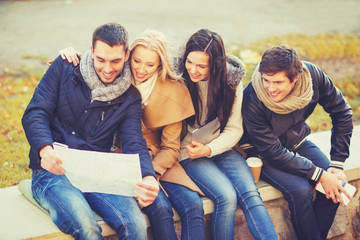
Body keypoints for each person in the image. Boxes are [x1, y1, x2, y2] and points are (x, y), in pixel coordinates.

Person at [58, 30, 205, 240]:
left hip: (157, 161)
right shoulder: (114, 73)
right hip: (119, 157)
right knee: (160, 207)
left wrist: (150, 174)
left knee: (193, 204)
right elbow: (96, 61)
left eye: (150, 65)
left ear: (160, 65)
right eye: (137, 61)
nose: (141, 69)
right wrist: (69, 53)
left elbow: (171, 147)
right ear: (128, 56)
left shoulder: (173, 91)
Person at [21, 23, 159, 240]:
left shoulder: (130, 97)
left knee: (136, 224)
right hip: (53, 170)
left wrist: (149, 176)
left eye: (115, 61)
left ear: (126, 55)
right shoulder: (64, 67)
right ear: (92, 51)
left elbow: (134, 141)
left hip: (96, 172)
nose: (107, 68)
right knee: (87, 227)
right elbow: (35, 112)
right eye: (101, 59)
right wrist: (44, 149)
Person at [241, 45, 353, 240]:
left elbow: (342, 112)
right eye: (266, 80)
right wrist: (319, 174)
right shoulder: (253, 96)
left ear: (295, 78)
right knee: (300, 191)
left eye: (277, 82)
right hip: (262, 151)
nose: (270, 88)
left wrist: (337, 162)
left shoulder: (313, 77)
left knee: (335, 184)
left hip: (296, 141)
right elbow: (271, 151)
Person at [177, 29, 277, 240]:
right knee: (226, 197)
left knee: (250, 194)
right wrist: (200, 150)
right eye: (189, 62)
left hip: (221, 147)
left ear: (216, 65)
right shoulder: (178, 79)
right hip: (189, 152)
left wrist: (211, 148)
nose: (193, 70)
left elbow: (234, 129)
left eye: (202, 66)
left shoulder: (231, 82)